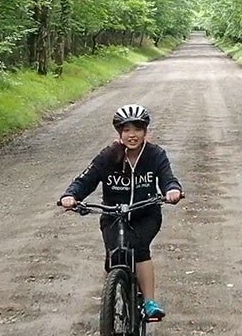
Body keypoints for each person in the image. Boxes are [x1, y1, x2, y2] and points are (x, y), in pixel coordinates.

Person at [59, 104, 183, 321]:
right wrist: (71, 195)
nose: (132, 135)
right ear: (119, 133)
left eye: (137, 129)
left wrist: (172, 190)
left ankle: (149, 303)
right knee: (114, 252)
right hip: (113, 214)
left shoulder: (155, 155)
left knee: (139, 248)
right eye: (126, 130)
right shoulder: (108, 155)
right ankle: (109, 300)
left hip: (145, 214)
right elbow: (85, 179)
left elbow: (167, 177)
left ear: (146, 132)